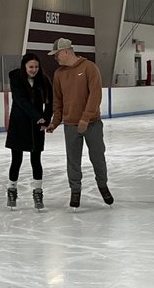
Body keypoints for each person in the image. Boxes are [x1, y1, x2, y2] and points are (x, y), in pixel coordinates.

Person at [46, 37, 113, 208]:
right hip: (70, 125)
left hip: (92, 124)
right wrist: (55, 122)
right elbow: (58, 101)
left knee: (97, 156)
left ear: (66, 52)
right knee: (73, 160)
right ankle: (75, 191)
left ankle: (102, 185)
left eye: (57, 54)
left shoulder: (90, 68)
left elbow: (95, 95)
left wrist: (85, 118)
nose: (56, 58)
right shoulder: (58, 74)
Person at [5, 52, 53, 210]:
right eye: (31, 67)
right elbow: (20, 101)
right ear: (24, 66)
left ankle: (37, 191)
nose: (34, 70)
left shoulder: (44, 80)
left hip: (36, 127)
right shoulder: (16, 79)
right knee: (16, 160)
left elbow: (50, 102)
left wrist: (45, 120)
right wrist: (37, 117)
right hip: (19, 124)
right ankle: (12, 189)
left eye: (36, 67)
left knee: (36, 160)